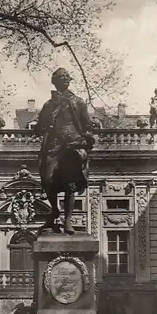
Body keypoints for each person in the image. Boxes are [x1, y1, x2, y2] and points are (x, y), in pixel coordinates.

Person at [35, 68, 95, 234]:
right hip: (53, 145)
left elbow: (87, 125)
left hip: (72, 145)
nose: (64, 79)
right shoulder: (48, 104)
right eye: (60, 77)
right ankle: (54, 209)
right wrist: (41, 128)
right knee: (47, 180)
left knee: (70, 184)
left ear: (70, 80)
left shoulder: (79, 102)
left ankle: (67, 219)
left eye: (66, 77)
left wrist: (87, 137)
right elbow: (40, 127)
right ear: (55, 82)